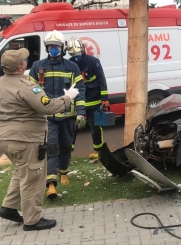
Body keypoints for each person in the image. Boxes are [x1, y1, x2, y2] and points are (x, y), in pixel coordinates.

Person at [0, 48, 79, 230]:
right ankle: (32, 220)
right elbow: (47, 107)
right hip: (27, 140)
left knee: (22, 171)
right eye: (24, 59)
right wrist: (67, 98)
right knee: (33, 178)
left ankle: (8, 207)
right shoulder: (26, 86)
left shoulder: (2, 83)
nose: (26, 60)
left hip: (7, 138)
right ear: (20, 66)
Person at [29, 30, 86, 199]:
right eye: (50, 46)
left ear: (62, 48)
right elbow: (31, 90)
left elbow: (80, 90)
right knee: (51, 146)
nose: (53, 49)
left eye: (56, 46)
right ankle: (51, 184)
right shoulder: (37, 67)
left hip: (68, 115)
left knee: (66, 146)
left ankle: (63, 172)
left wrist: (81, 113)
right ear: (47, 47)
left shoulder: (72, 67)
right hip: (48, 117)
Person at [66, 37, 109, 160]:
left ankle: (99, 150)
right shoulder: (70, 64)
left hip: (95, 101)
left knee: (96, 126)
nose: (76, 56)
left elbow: (102, 80)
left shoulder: (93, 61)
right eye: (73, 54)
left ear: (83, 50)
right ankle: (68, 153)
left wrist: (104, 99)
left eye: (78, 53)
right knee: (72, 128)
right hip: (78, 102)